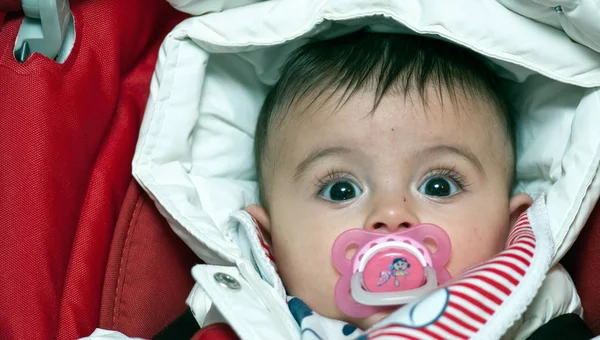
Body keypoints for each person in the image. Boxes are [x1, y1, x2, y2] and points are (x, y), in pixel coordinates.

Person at [246, 29, 536, 330]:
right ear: (268, 241)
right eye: (340, 190)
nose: (392, 214)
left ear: (511, 226)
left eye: (439, 186)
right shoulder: (238, 327)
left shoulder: (547, 326)